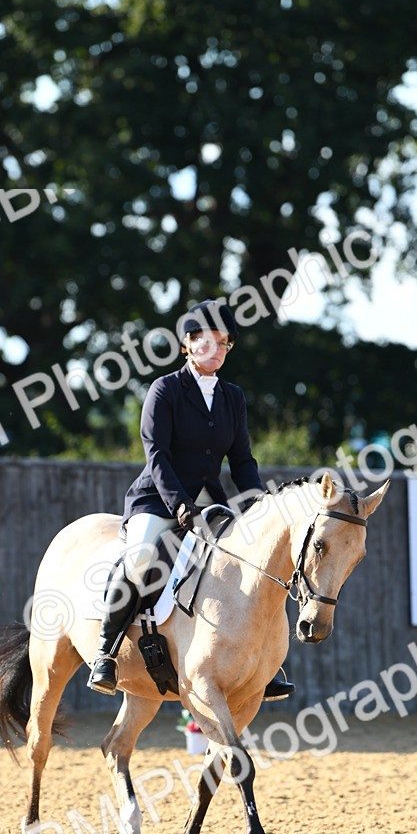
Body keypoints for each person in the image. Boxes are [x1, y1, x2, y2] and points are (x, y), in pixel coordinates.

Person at [87, 299, 295, 701]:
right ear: (187, 343)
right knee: (142, 556)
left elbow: (242, 461)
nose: (217, 351)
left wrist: (256, 504)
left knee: (255, 562)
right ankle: (105, 652)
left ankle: (264, 664)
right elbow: (157, 455)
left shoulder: (233, 396)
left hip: (210, 500)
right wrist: (180, 504)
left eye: (224, 344)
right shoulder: (164, 390)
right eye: (208, 342)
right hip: (159, 499)